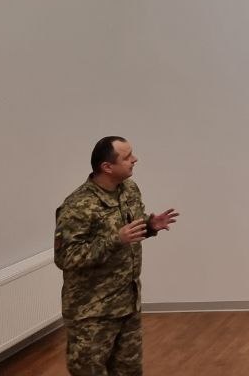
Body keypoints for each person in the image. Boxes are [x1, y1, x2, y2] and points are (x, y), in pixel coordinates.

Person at [55, 137, 179, 376]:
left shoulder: (129, 189)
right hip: (92, 312)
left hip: (127, 304)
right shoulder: (78, 205)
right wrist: (115, 239)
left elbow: (130, 231)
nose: (135, 159)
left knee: (129, 372)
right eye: (127, 157)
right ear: (107, 167)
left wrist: (149, 225)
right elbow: (66, 257)